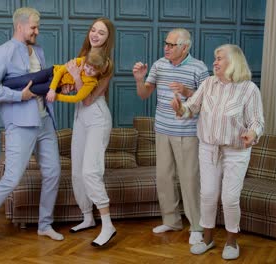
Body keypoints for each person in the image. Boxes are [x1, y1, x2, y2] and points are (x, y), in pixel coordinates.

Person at [0, 7, 63, 254]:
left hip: (45, 121)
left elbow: (42, 84)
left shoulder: (38, 50)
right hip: (20, 125)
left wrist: (54, 91)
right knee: (11, 180)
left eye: (38, 27)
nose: (38, 31)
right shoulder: (2, 52)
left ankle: (44, 225)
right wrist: (19, 95)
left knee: (53, 173)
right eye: (34, 27)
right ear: (20, 26)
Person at [171, 44, 264, 260]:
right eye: (215, 58)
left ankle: (232, 242)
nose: (215, 62)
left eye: (220, 58)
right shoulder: (208, 84)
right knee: (208, 195)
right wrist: (180, 108)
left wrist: (252, 133)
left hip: (236, 151)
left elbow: (257, 121)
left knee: (230, 198)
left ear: (234, 62)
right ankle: (208, 238)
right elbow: (190, 108)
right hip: (208, 148)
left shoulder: (249, 89)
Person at [132, 28, 209, 245]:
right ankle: (172, 220)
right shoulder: (159, 65)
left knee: (189, 179)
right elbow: (144, 94)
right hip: (162, 130)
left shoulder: (199, 68)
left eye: (171, 45)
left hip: (188, 133)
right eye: (165, 43)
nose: (166, 47)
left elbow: (208, 101)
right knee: (164, 177)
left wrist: (187, 92)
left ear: (185, 47)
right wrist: (140, 80)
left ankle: (196, 226)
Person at [64, 17, 117, 247]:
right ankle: (87, 217)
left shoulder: (105, 64)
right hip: (80, 118)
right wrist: (67, 83)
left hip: (96, 118)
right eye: (93, 30)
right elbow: (72, 90)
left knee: (90, 171)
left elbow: (87, 100)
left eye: (101, 32)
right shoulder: (82, 57)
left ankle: (108, 225)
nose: (95, 35)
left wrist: (75, 77)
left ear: (108, 38)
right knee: (77, 172)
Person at [0, 49, 113, 105]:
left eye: (93, 70)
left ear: (99, 71)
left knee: (33, 90)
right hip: (52, 73)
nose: (88, 70)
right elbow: (61, 70)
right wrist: (51, 88)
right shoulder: (82, 61)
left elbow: (77, 98)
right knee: (27, 79)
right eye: (88, 66)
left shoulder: (91, 83)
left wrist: (55, 95)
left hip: (58, 89)